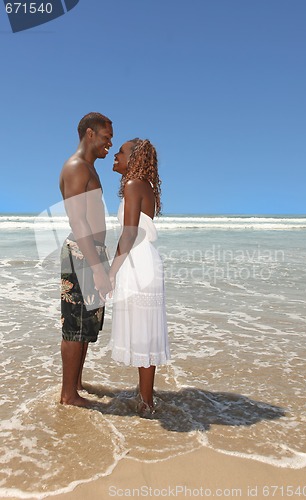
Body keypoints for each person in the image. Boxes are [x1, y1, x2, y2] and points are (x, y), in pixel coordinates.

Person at [109, 138, 170, 417]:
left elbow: (130, 233)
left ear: (134, 158)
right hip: (145, 260)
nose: (115, 155)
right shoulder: (145, 187)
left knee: (144, 334)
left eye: (121, 152)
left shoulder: (134, 186)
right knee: (146, 332)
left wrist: (111, 271)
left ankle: (146, 403)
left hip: (138, 263)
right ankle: (146, 395)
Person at [59, 112, 113, 407]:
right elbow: (78, 221)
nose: (110, 143)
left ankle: (76, 383)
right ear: (89, 134)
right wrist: (97, 267)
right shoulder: (77, 167)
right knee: (73, 326)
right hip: (82, 253)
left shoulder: (90, 169)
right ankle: (68, 395)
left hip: (91, 253)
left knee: (85, 326)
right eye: (106, 137)